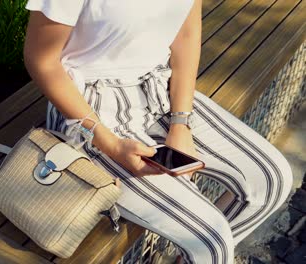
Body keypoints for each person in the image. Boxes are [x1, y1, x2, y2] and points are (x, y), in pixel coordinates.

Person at [22, 0, 293, 263]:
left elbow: (186, 36)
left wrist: (181, 123)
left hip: (159, 91)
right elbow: (42, 60)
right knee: (211, 240)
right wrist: (111, 145)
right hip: (90, 112)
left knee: (271, 181)